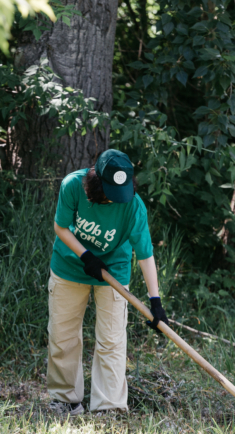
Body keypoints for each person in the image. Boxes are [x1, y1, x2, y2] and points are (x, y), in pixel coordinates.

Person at [47, 149, 168, 416]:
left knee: (112, 340)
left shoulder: (133, 206)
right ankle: (66, 400)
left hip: (114, 270)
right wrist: (86, 255)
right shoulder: (72, 186)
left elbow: (145, 255)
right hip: (69, 266)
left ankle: (108, 406)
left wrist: (155, 301)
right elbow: (61, 227)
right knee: (63, 335)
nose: (115, 202)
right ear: (96, 183)